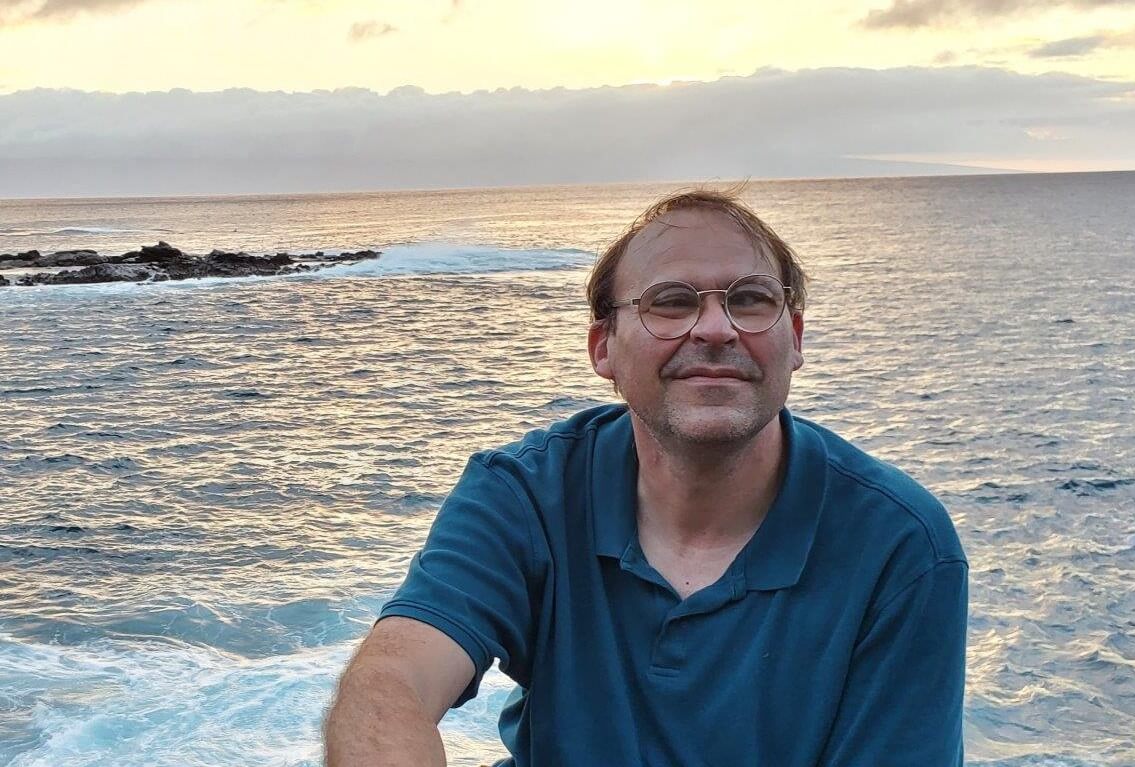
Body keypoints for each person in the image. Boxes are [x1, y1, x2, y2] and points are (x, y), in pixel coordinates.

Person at [323, 189, 969, 767]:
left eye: (749, 299)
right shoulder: (525, 494)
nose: (715, 329)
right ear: (603, 347)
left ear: (793, 337)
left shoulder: (900, 545)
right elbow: (390, 683)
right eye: (670, 302)